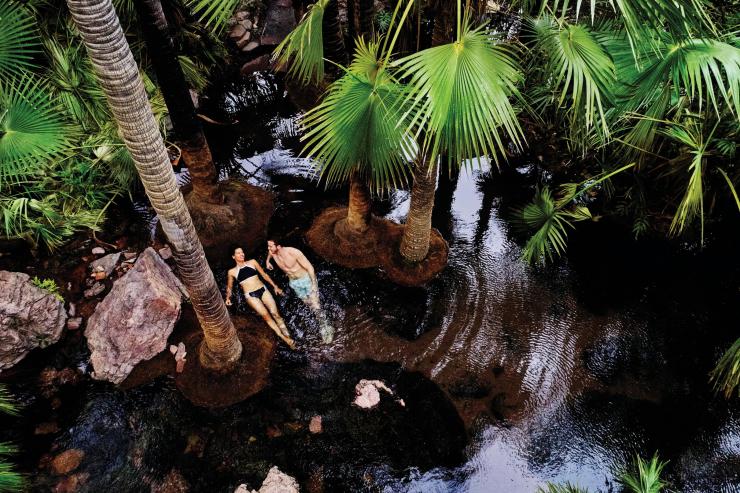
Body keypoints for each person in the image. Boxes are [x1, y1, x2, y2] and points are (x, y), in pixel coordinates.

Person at [225, 247, 295, 349]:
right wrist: (228, 298)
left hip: (263, 290)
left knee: (275, 313)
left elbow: (264, 275)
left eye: (242, 252)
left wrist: (275, 286)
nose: (242, 254)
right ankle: (285, 339)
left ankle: (288, 335)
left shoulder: (252, 262)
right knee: (267, 317)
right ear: (233, 256)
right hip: (251, 296)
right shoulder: (232, 272)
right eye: (238, 253)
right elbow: (229, 287)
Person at [266, 240, 335, 343]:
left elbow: (310, 268)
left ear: (278, 246)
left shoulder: (294, 252)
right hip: (294, 284)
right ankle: (322, 320)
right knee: (310, 305)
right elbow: (270, 253)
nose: (269, 249)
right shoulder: (273, 252)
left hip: (306, 280)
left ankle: (326, 326)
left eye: (270, 246)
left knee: (316, 305)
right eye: (268, 246)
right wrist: (267, 261)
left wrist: (314, 285)